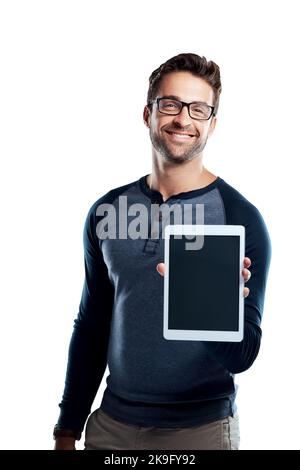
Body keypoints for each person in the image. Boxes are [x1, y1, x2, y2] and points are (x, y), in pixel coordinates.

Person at [53, 53, 271, 450]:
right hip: (111, 428)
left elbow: (244, 355)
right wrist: (67, 429)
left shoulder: (239, 217)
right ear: (147, 113)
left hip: (200, 431)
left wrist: (206, 306)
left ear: (212, 124)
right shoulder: (108, 210)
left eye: (198, 109)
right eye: (169, 104)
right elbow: (92, 324)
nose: (182, 119)